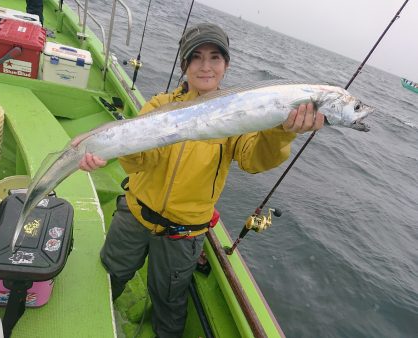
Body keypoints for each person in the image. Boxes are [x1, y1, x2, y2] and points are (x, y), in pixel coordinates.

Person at [76, 23, 324, 338]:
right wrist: (105, 155)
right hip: (134, 216)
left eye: (215, 57)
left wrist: (281, 131)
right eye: (196, 57)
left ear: (226, 65)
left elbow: (253, 159)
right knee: (110, 275)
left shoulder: (240, 116)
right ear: (185, 65)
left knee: (168, 303)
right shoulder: (159, 106)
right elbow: (139, 161)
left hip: (183, 234)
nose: (205, 66)